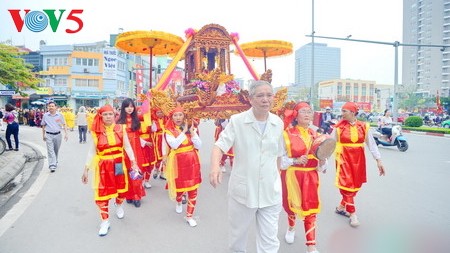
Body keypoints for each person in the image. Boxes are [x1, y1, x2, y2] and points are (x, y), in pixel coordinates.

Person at [209, 80, 285, 253]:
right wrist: (214, 167)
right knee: (238, 240)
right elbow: (219, 146)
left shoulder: (278, 122)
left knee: (270, 242)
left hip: (270, 192)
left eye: (269, 95)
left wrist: (277, 180)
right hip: (243, 193)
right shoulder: (237, 121)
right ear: (251, 99)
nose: (266, 99)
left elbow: (279, 155)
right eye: (260, 95)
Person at [81, 104, 140, 236]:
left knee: (122, 191)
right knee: (103, 194)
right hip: (103, 167)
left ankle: (118, 205)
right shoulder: (96, 132)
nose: (108, 117)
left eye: (110, 114)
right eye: (105, 114)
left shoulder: (121, 128)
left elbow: (128, 147)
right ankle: (105, 221)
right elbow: (91, 152)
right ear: (101, 116)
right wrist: (86, 169)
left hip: (119, 165)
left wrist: (134, 162)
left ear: (115, 116)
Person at [280, 102, 326, 253]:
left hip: (311, 176)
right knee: (291, 207)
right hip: (292, 176)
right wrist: (295, 161)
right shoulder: (286, 134)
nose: (308, 114)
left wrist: (324, 160)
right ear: (296, 115)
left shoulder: (317, 135)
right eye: (304, 112)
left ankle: (311, 245)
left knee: (311, 209)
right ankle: (291, 227)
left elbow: (323, 166)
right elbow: (280, 160)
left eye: (310, 112)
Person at [333, 102, 386, 227]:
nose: (342, 114)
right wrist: (321, 161)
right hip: (343, 159)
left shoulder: (364, 126)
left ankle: (341, 207)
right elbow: (329, 144)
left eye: (344, 111)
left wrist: (379, 160)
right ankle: (352, 214)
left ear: (352, 112)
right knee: (346, 185)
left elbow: (372, 145)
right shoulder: (338, 128)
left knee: (355, 186)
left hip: (358, 160)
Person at [164, 107, 202, 227]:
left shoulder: (192, 129)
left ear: (184, 116)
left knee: (193, 189)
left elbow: (199, 145)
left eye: (180, 115)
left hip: (192, 161)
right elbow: (174, 145)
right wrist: (183, 131)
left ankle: (189, 216)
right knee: (179, 188)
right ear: (172, 117)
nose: (178, 118)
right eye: (175, 115)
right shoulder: (169, 131)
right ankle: (179, 201)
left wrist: (192, 133)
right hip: (177, 162)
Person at [116, 98, 146, 208]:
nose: (130, 108)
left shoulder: (137, 120)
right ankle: (128, 195)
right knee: (127, 174)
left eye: (131, 106)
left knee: (136, 173)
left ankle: (137, 196)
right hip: (125, 150)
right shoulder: (119, 121)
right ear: (123, 108)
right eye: (127, 106)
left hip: (136, 150)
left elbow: (141, 132)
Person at [41, 101, 68, 172]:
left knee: (56, 150)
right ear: (47, 107)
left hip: (58, 135)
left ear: (56, 107)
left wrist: (66, 134)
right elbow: (43, 125)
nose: (51, 107)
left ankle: (55, 160)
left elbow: (64, 124)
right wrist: (43, 135)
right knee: (50, 150)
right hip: (49, 135)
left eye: (52, 106)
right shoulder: (45, 115)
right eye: (49, 106)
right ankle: (52, 165)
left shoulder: (60, 115)